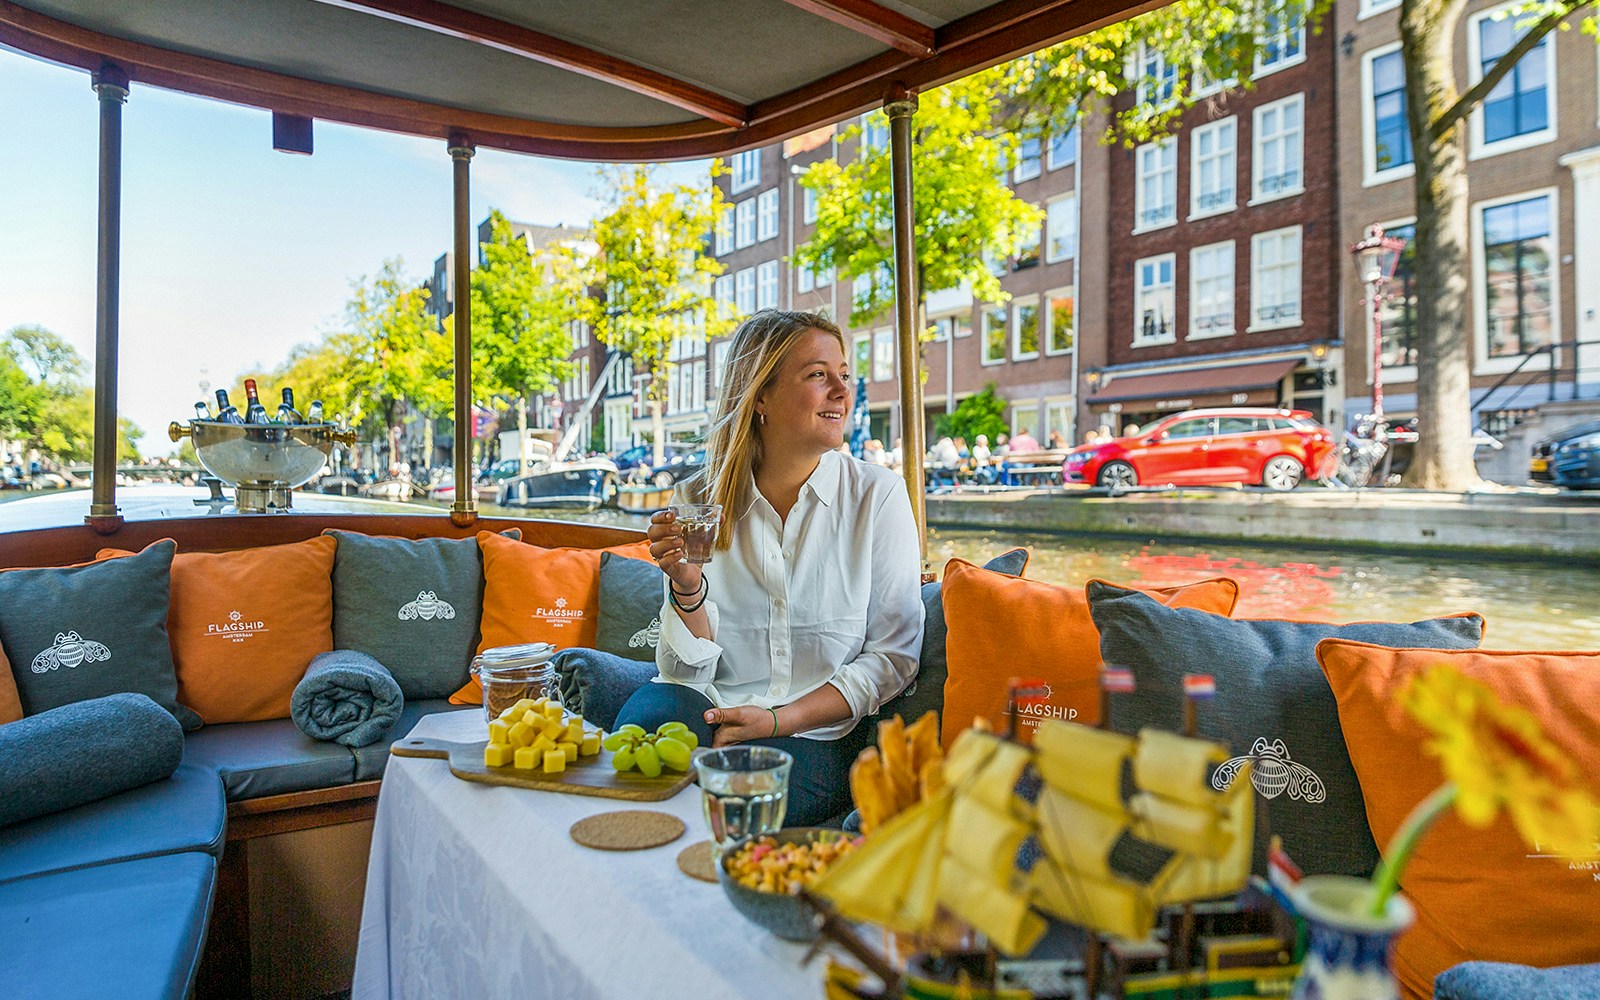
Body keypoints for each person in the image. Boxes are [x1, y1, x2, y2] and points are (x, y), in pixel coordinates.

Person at [622, 310, 924, 826]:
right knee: (630, 774)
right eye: (817, 374)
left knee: (728, 810)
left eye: (843, 375)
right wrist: (687, 587)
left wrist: (777, 720)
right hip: (707, 706)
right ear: (760, 395)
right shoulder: (698, 499)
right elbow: (684, 673)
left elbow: (894, 659)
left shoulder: (877, 496)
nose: (841, 391)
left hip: (816, 734)